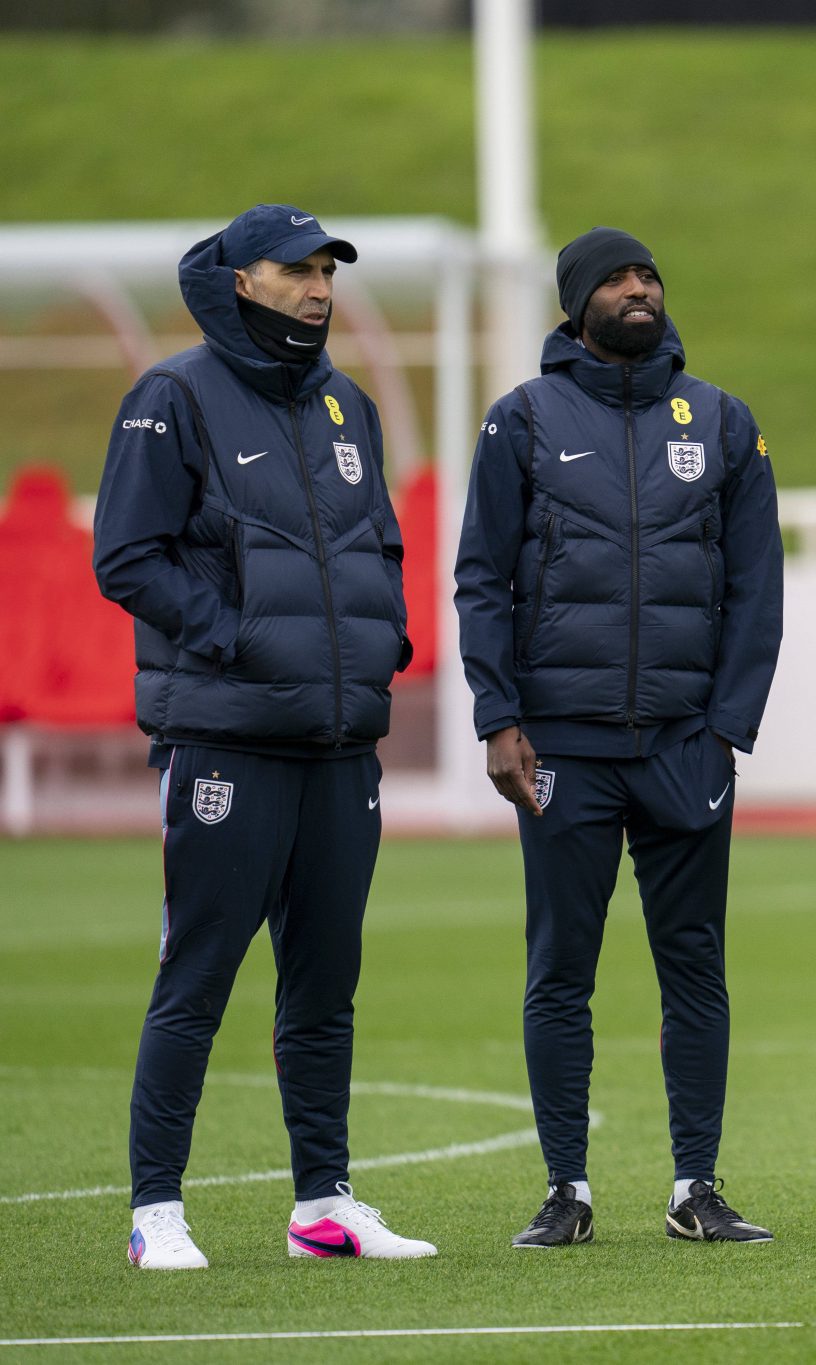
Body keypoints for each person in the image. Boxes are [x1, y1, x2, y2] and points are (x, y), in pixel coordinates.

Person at [94, 204, 435, 1269]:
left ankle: (321, 1206)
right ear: (241, 280)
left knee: (326, 985)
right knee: (197, 977)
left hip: (339, 744)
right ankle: (157, 1212)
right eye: (297, 269)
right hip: (228, 740)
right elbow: (127, 557)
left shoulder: (349, 405)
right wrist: (237, 641)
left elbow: (378, 543)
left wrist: (385, 641)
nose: (320, 286)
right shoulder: (172, 395)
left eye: (328, 269)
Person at [455, 227, 784, 1250]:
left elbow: (754, 587)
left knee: (695, 966)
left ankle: (697, 1186)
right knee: (562, 969)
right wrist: (499, 720)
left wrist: (727, 727)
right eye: (616, 278)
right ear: (575, 304)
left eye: (648, 275)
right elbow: (481, 578)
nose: (639, 289)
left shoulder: (722, 422)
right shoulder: (522, 421)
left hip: (686, 746)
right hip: (561, 748)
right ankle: (567, 1189)